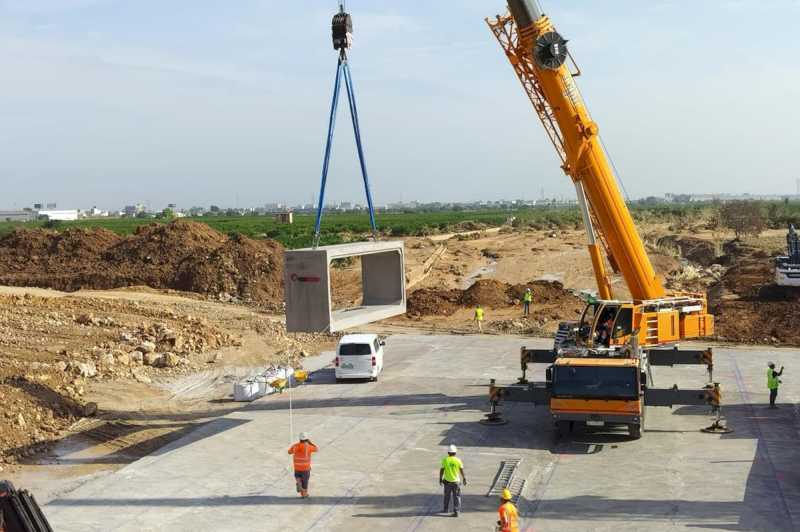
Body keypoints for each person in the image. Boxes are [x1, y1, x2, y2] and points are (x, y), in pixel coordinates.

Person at [439, 444, 467, 517]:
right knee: (457, 497)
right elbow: (461, 470)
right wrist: (464, 478)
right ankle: (456, 511)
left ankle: (446, 509)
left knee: (446, 496)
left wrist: (440, 479)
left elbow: (442, 470)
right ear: (455, 453)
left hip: (447, 482)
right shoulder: (458, 460)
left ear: (448, 453)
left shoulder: (445, 460)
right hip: (456, 482)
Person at [288, 432, 318, 498]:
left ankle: (298, 480)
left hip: (297, 467)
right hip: (305, 468)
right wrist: (310, 443)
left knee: (298, 475)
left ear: (299, 439)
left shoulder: (295, 446)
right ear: (307, 439)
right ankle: (304, 494)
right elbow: (316, 449)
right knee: (305, 482)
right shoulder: (309, 447)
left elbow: (289, 452)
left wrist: (293, 447)